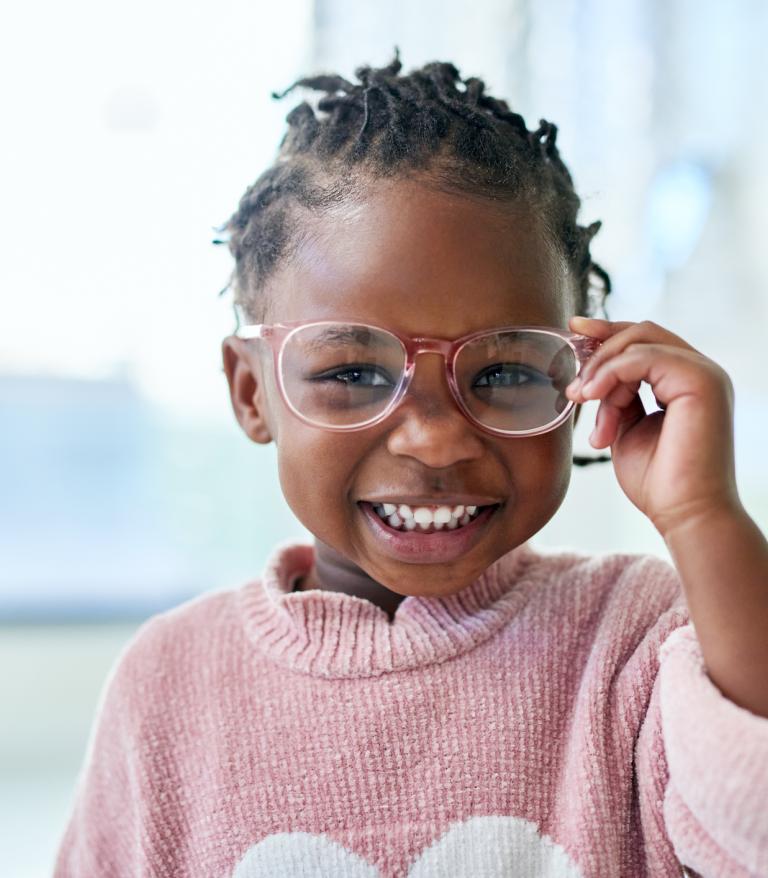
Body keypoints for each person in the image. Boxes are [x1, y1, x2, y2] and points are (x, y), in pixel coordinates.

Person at [53, 49, 768, 877]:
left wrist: (704, 517)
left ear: (582, 376)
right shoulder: (169, 683)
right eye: (352, 374)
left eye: (503, 373)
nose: (433, 439)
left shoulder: (645, 636)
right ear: (252, 393)